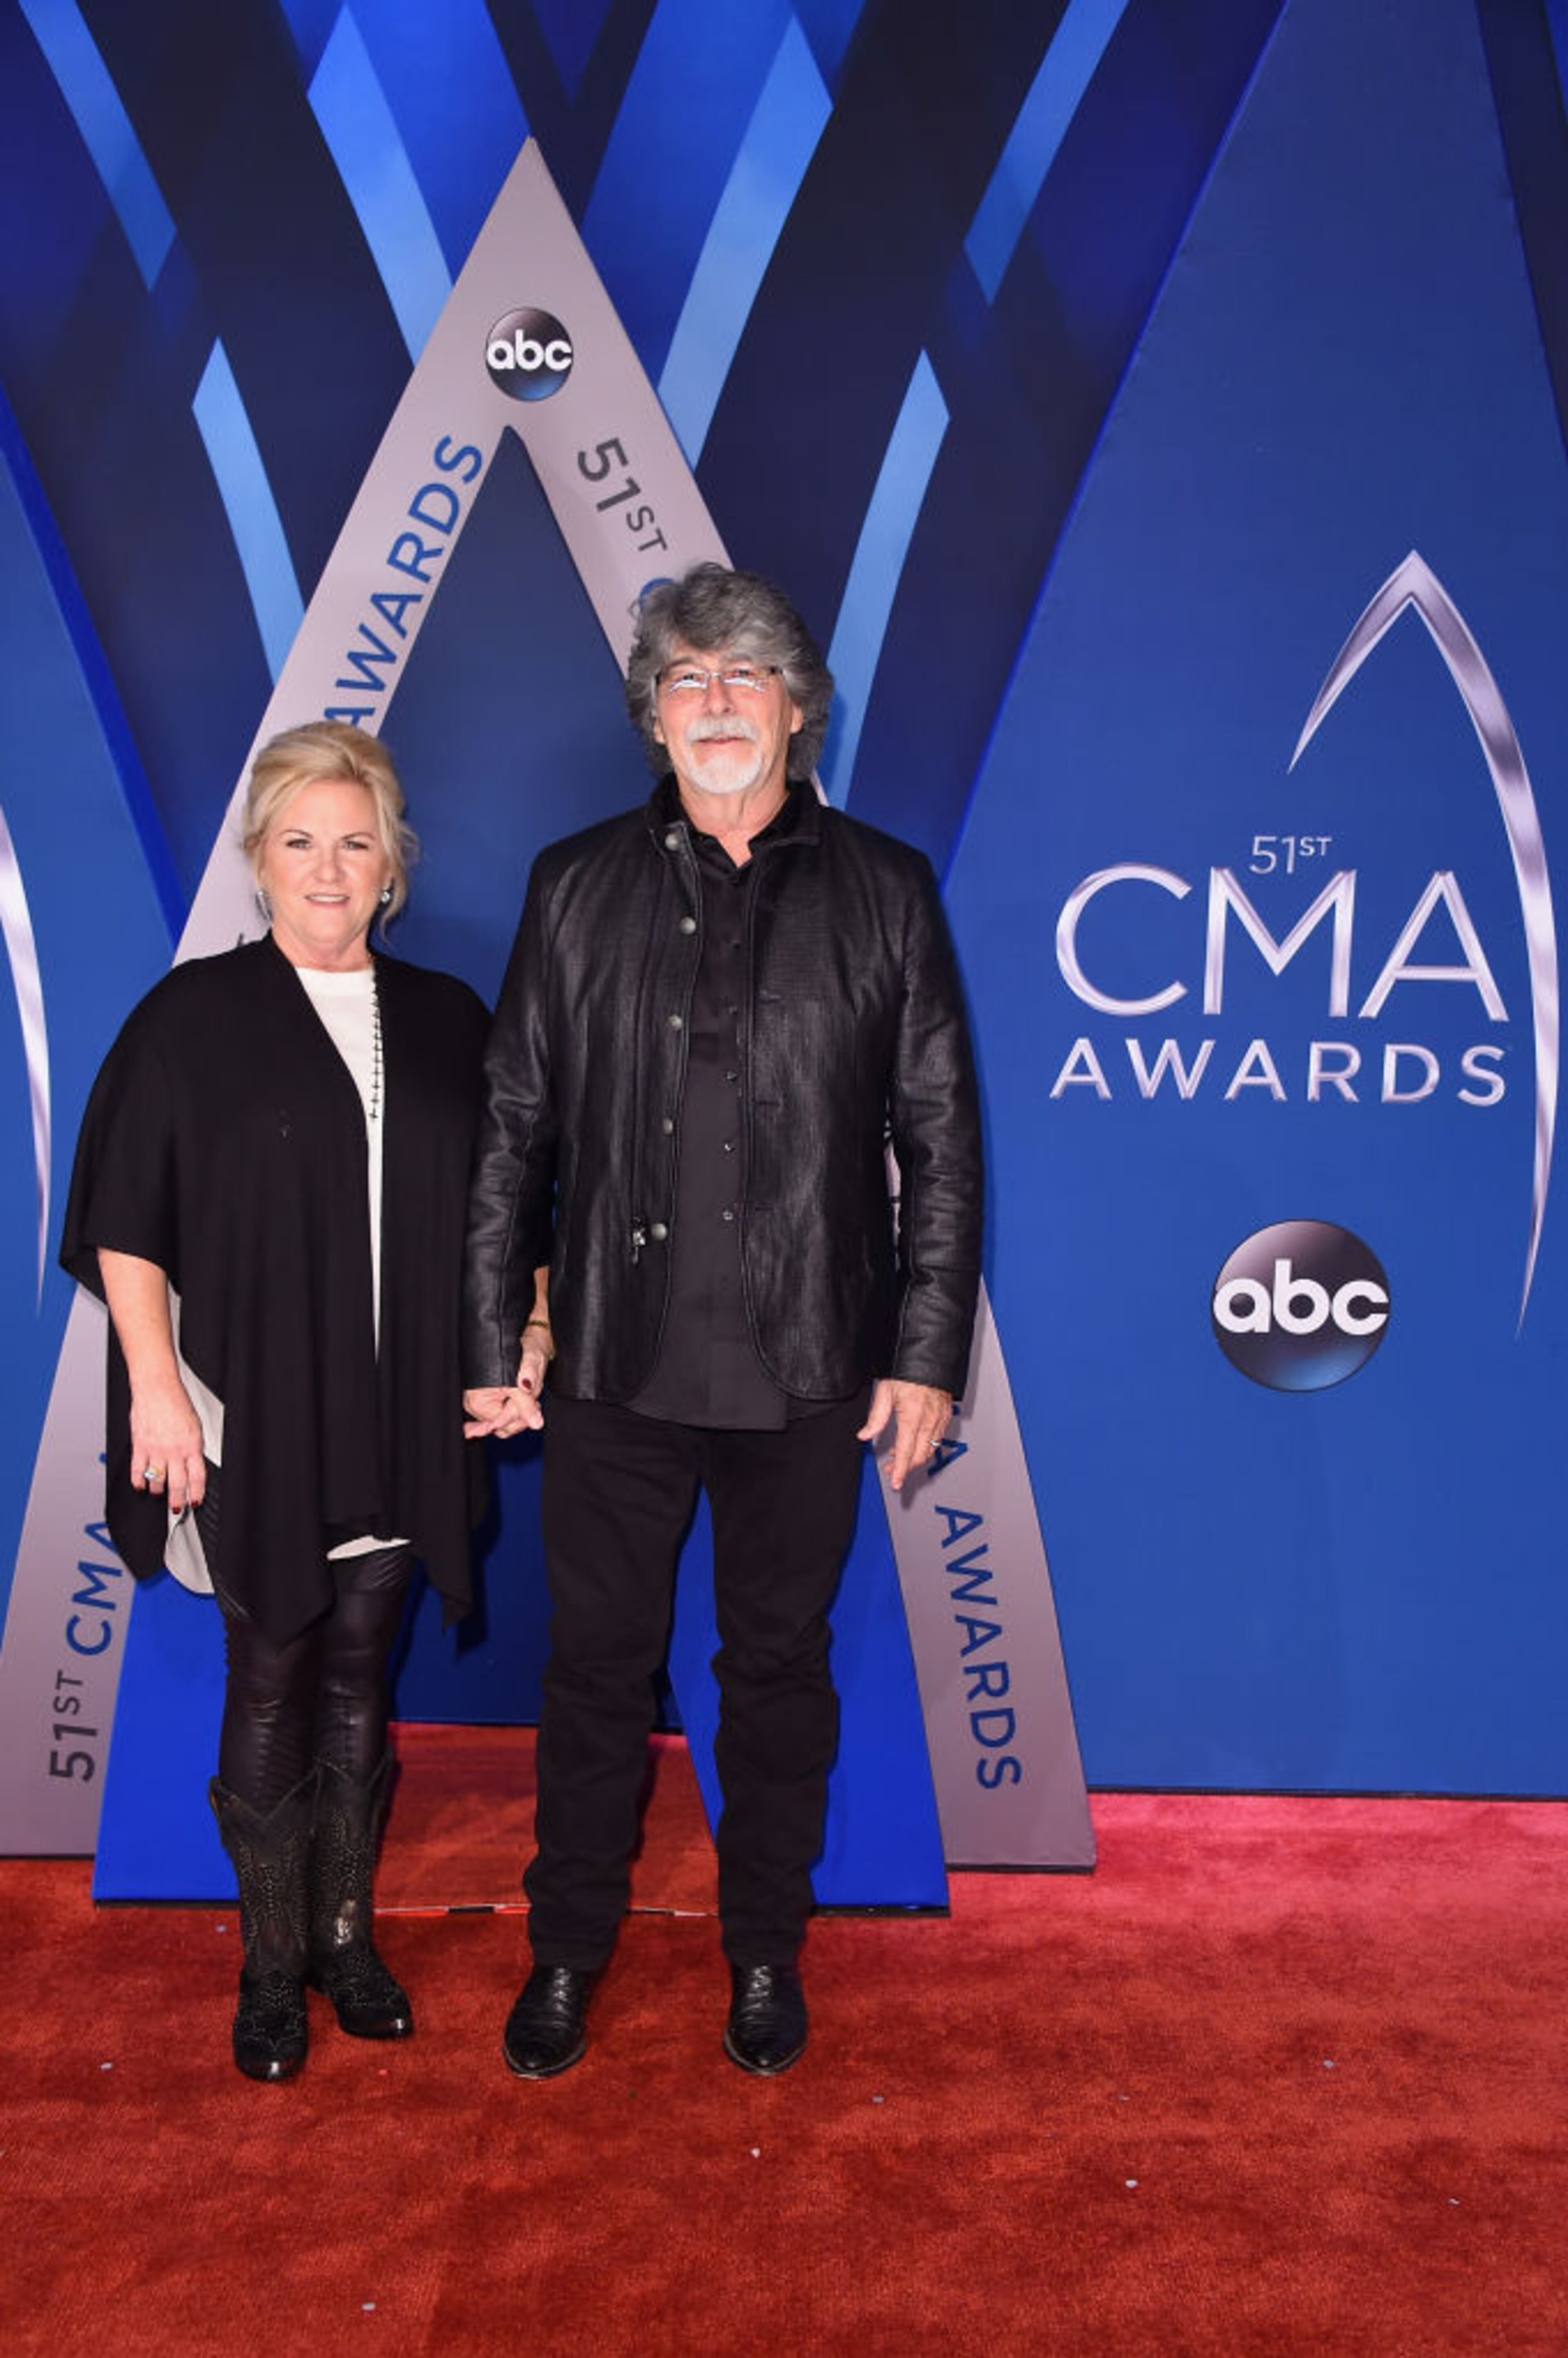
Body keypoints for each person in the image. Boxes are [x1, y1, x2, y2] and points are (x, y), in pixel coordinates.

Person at [463, 562, 982, 2078]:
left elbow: (938, 1139)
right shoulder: (574, 885)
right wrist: (498, 1335)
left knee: (776, 1673)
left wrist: (926, 1352)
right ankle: (567, 1952)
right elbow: (512, 1126)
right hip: (618, 1368)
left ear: (798, 708)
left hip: (813, 1368)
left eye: (742, 677)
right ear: (651, 719)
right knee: (594, 1676)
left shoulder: (887, 891)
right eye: (685, 681)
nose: (715, 705)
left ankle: (764, 1951)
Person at [61, 721, 488, 2084]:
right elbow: (127, 1222)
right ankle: (267, 1964)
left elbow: (507, 1210)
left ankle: (346, 1940)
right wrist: (155, 1396)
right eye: (300, 840)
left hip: (400, 1404)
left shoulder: (445, 1020)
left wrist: (522, 1330)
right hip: (244, 1408)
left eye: (355, 841)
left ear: (392, 867)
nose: (328, 865)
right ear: (258, 861)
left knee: (367, 1665)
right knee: (276, 1666)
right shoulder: (192, 1017)